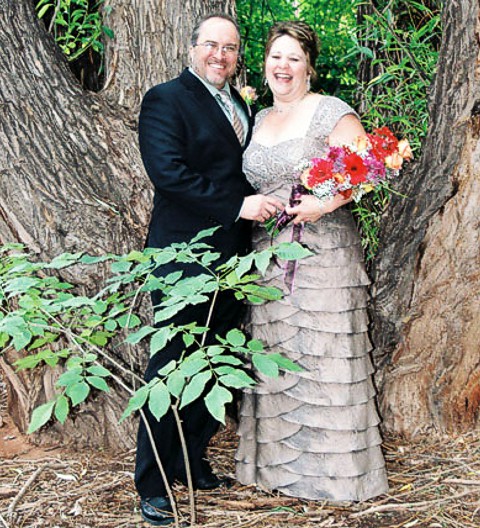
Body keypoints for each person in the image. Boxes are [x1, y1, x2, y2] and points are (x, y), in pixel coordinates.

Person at [135, 13, 282, 526]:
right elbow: (168, 174)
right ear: (191, 48)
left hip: (235, 258)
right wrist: (238, 206)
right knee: (172, 365)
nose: (220, 55)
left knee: (216, 359)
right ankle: (152, 484)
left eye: (230, 47)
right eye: (211, 45)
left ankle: (188, 460)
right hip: (183, 258)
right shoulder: (164, 99)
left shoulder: (238, 102)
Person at [235, 20, 389, 502]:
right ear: (264, 64)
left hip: (324, 251)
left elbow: (372, 168)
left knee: (326, 355)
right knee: (278, 356)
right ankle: (280, 474)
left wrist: (324, 203)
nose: (283, 66)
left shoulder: (329, 112)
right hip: (268, 253)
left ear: (309, 67)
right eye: (276, 56)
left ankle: (336, 479)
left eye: (293, 58)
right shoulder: (254, 119)